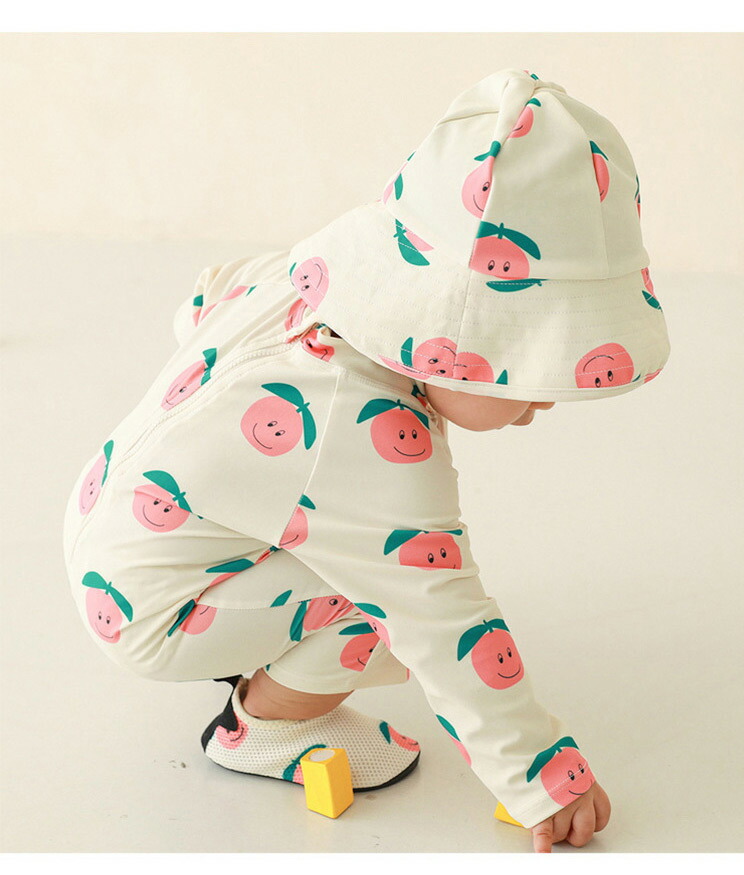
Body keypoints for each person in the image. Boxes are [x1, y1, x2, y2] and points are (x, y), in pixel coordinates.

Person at [62, 67, 669, 852]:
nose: (545, 398)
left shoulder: (301, 280)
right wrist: (545, 778)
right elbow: (444, 620)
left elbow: (204, 300)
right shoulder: (367, 436)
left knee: (354, 556)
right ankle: (265, 725)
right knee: (384, 603)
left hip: (103, 521)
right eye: (525, 365)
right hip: (152, 614)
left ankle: (252, 627)